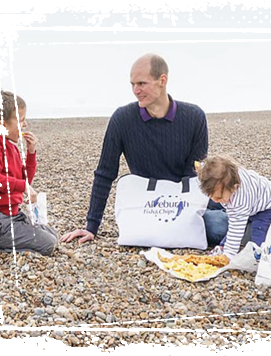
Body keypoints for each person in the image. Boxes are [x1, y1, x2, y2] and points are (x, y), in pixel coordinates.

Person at [61, 53, 227, 244]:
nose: (135, 90)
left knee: (227, 208)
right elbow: (105, 173)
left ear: (162, 80)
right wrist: (92, 227)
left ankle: (252, 217)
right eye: (132, 84)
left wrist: (184, 210)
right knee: (216, 226)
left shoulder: (194, 116)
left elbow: (194, 173)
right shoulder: (122, 119)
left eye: (141, 83)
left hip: (184, 196)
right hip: (148, 202)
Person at [0, 90, 58, 256]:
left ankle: (5, 237)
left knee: (53, 235)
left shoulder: (11, 147)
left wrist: (31, 153)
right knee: (48, 245)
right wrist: (23, 186)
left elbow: (24, 178)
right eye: (20, 120)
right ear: (3, 125)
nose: (25, 125)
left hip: (14, 215)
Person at [196, 156, 271, 257]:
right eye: (212, 197)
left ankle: (260, 255)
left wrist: (229, 255)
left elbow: (236, 228)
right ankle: (223, 247)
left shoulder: (240, 200)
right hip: (253, 200)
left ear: (234, 187)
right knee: (233, 223)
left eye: (219, 197)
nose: (215, 200)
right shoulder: (229, 179)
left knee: (258, 231)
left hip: (267, 207)